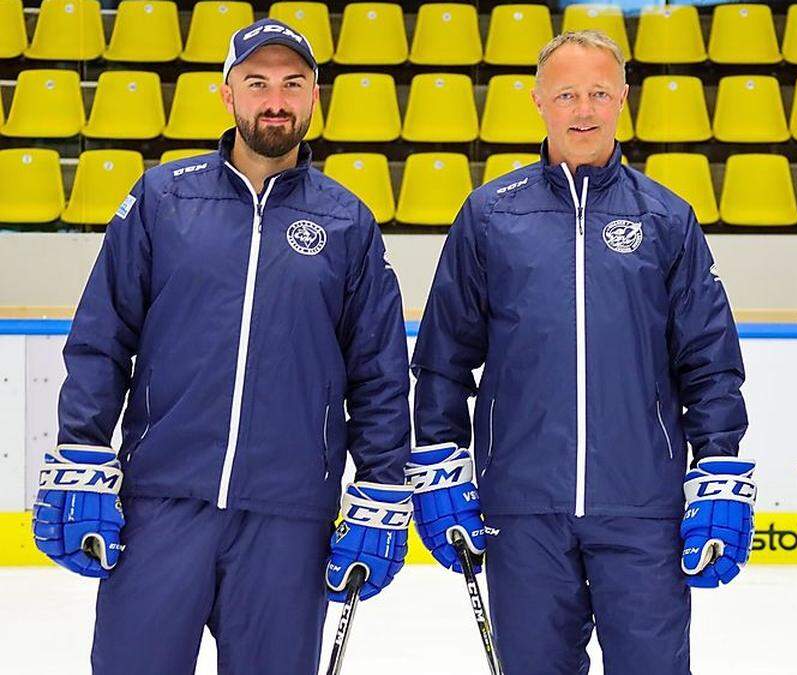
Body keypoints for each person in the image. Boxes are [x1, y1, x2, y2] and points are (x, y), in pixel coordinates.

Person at [32, 19, 417, 674]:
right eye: (258, 82)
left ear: (314, 98)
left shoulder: (347, 222)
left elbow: (377, 373)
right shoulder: (162, 198)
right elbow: (103, 335)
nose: (276, 99)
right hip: (162, 505)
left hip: (288, 519)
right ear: (227, 92)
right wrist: (83, 445)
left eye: (293, 84)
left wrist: (381, 485)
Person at [407, 30, 754, 674]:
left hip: (642, 510)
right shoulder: (489, 216)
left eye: (598, 92)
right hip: (523, 510)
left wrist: (720, 470)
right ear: (538, 101)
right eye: (567, 94)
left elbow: (709, 363)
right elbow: (442, 360)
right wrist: (442, 461)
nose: (584, 110)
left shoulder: (666, 218)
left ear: (623, 98)